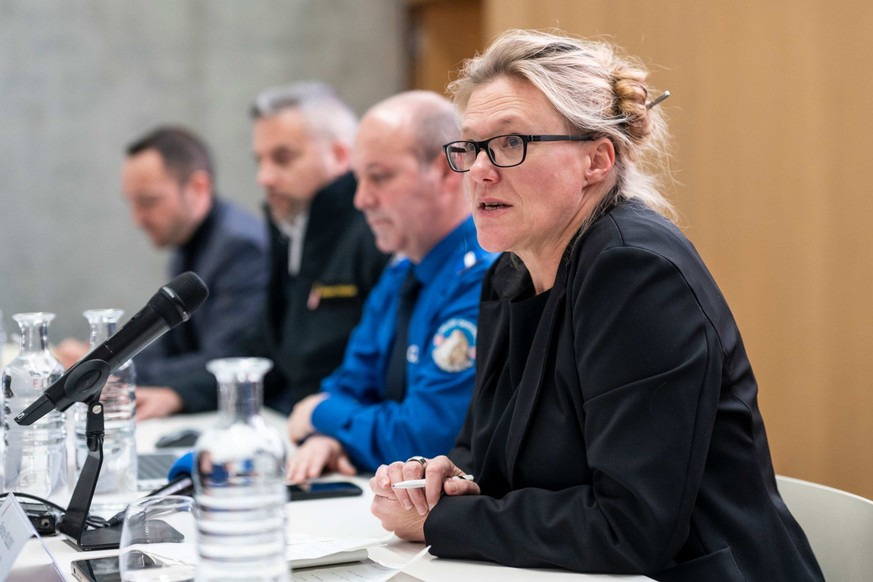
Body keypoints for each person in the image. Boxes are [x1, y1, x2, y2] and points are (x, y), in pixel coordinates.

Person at [370, 30, 824, 582]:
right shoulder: (509, 273)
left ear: (597, 159)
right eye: (470, 147)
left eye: (510, 143)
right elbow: (484, 457)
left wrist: (443, 522)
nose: (481, 170)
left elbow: (629, 528)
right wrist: (439, 482)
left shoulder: (635, 272)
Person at [136, 82, 391, 419]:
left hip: (339, 431)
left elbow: (379, 375)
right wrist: (180, 394)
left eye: (283, 158)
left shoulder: (377, 234)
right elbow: (263, 349)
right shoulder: (293, 230)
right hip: (300, 424)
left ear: (340, 156)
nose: (265, 177)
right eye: (260, 160)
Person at [286, 90, 496, 482]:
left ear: (446, 172)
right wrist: (328, 437)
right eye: (358, 179)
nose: (361, 199)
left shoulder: (485, 276)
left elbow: (427, 437)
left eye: (379, 177)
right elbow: (350, 383)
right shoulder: (403, 269)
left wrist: (320, 415)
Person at [56, 126, 268, 420]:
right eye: (132, 203)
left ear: (197, 188)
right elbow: (170, 345)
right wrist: (102, 357)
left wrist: (107, 368)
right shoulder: (188, 240)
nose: (137, 219)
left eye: (148, 202)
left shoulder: (242, 249)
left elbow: (226, 362)